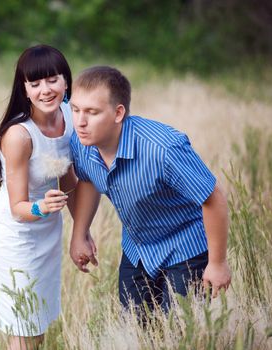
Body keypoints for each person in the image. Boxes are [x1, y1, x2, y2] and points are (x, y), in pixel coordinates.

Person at [68, 66, 232, 315]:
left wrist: (218, 263)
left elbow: (214, 198)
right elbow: (89, 181)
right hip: (138, 250)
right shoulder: (82, 144)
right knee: (135, 330)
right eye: (76, 110)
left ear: (118, 113)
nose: (80, 121)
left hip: (185, 248)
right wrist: (79, 234)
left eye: (92, 112)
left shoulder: (163, 149)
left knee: (180, 333)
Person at [0, 45, 77, 349]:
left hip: (48, 231)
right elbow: (18, 207)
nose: (45, 90)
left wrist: (81, 232)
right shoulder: (19, 136)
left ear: (65, 81)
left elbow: (70, 180)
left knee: (38, 326)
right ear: (24, 90)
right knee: (23, 326)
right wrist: (42, 206)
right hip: (18, 235)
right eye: (35, 83)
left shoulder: (70, 115)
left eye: (52, 80)